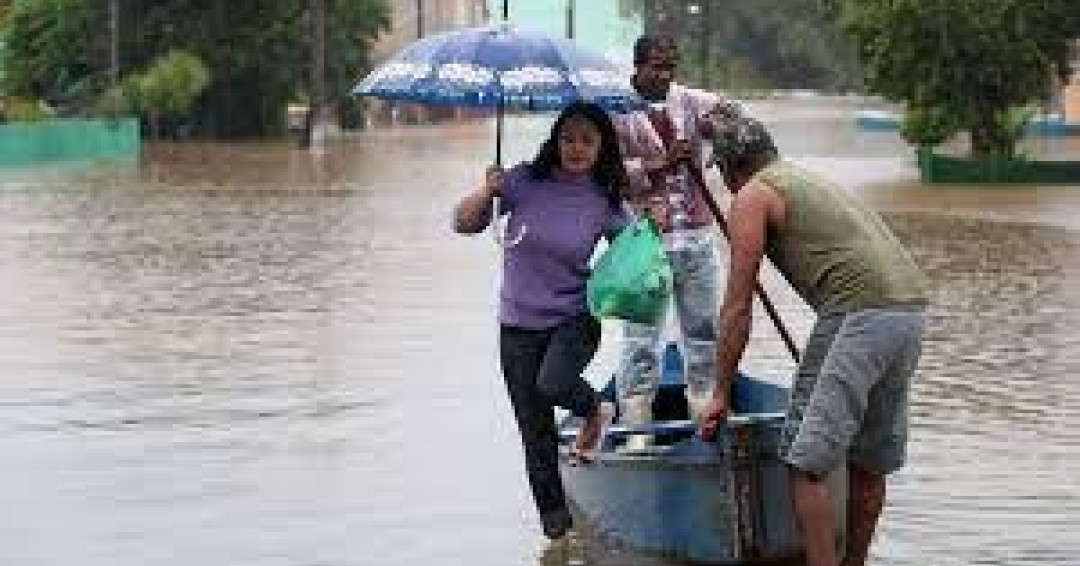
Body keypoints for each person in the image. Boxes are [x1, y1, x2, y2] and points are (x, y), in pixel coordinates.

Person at [698, 116, 929, 566]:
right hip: (909, 310)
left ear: (729, 169)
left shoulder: (753, 194)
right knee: (868, 465)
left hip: (857, 313)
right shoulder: (805, 178)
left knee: (806, 463)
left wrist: (721, 392)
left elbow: (737, 307)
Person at [453, 101, 626, 540]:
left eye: (587, 140)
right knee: (536, 435)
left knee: (552, 386)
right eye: (568, 138)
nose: (576, 148)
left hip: (574, 320)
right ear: (556, 140)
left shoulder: (603, 198)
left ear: (601, 146)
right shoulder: (525, 181)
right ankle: (559, 533)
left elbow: (633, 257)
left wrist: (653, 229)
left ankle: (596, 409)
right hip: (516, 328)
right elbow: (463, 223)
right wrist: (488, 191)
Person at [612, 35, 738, 426]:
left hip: (696, 239)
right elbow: (611, 178)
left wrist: (718, 128)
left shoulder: (691, 102)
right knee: (640, 338)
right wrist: (662, 164)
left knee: (703, 331)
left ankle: (704, 410)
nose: (665, 75)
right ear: (638, 67)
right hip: (645, 241)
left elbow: (734, 116)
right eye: (656, 67)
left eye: (671, 67)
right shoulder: (614, 111)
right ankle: (635, 422)